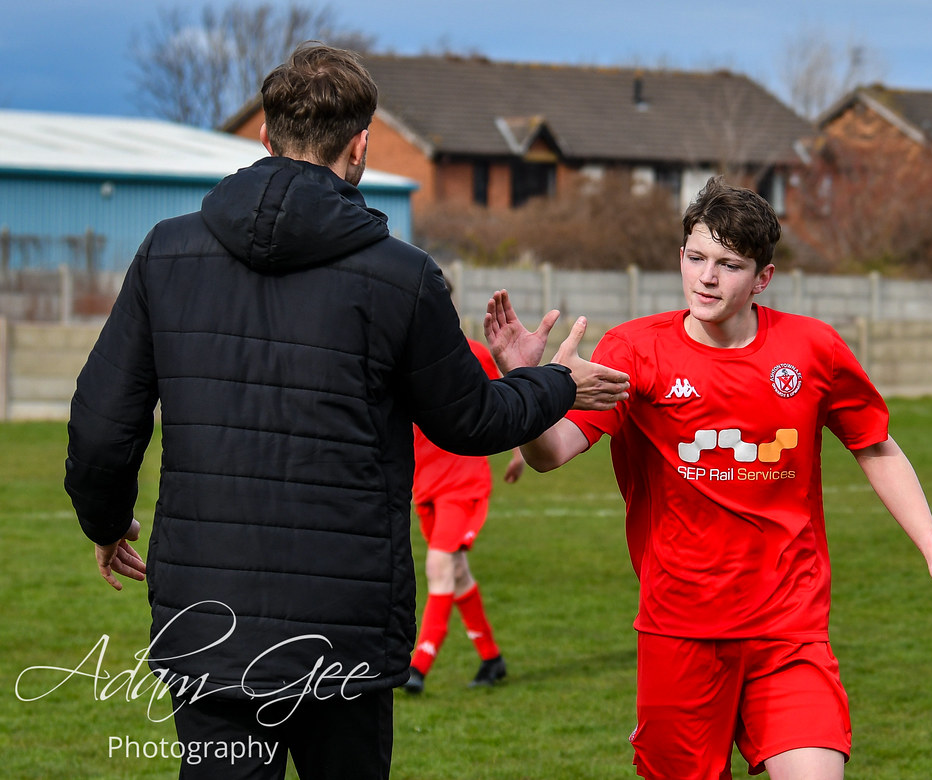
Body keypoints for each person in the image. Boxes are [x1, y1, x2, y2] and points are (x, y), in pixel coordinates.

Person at [63, 44, 629, 780]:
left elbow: (101, 426)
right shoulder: (402, 275)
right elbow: (472, 422)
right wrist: (552, 381)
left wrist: (106, 525)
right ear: (360, 145)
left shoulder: (165, 254)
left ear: (264, 136)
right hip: (345, 634)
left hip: (211, 625)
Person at [484, 177, 932, 780]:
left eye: (729, 264)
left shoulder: (812, 350)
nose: (707, 277)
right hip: (679, 630)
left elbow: (875, 447)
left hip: (788, 627)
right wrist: (524, 388)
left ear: (762, 278)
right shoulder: (634, 351)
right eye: (696, 258)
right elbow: (548, 453)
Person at [403, 333, 522, 694]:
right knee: (457, 572)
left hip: (462, 479)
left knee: (439, 567)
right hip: (423, 482)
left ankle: (417, 668)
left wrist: (519, 452)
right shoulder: (402, 350)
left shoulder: (473, 353)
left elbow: (508, 399)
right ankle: (491, 659)